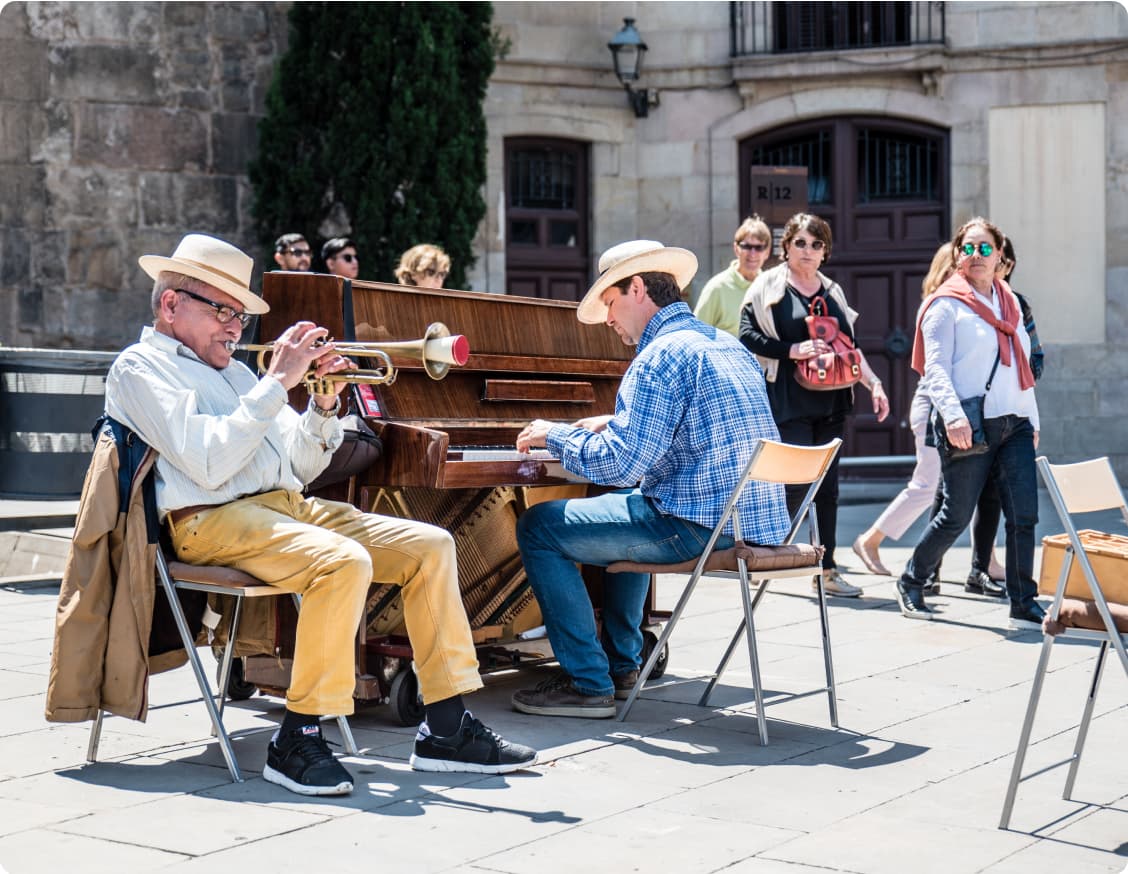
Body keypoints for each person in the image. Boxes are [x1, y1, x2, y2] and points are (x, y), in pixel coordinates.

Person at [105, 233, 536, 796]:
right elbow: (208, 462)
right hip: (207, 518)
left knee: (431, 546)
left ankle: (447, 728)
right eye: (224, 311)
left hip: (284, 507)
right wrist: (277, 383)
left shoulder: (237, 374)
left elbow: (301, 467)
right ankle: (298, 737)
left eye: (240, 314)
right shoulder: (140, 369)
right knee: (343, 562)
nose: (236, 328)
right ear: (171, 304)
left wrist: (323, 405)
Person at [508, 240, 791, 718]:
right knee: (629, 498)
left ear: (637, 288)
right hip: (752, 526)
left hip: (696, 528)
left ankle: (587, 683)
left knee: (539, 528)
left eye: (611, 304)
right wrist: (612, 422)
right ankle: (623, 665)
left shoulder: (659, 355)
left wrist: (553, 434)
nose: (610, 320)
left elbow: (621, 465)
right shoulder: (726, 346)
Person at [894, 218, 1043, 629]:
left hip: (1014, 423)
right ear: (958, 255)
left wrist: (1032, 419)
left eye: (984, 248)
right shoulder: (945, 305)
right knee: (955, 515)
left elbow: (1023, 369)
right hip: (970, 425)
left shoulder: (1010, 304)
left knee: (1023, 515)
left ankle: (1024, 600)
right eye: (968, 248)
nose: (976, 256)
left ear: (999, 256)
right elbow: (935, 371)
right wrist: (954, 416)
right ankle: (912, 578)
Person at [739, 213, 889, 599]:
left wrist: (874, 384)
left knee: (828, 487)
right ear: (786, 246)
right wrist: (791, 349)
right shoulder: (767, 287)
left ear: (825, 252)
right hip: (789, 400)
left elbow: (850, 350)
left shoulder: (833, 291)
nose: (808, 250)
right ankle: (767, 555)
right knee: (792, 482)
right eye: (800, 242)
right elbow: (747, 335)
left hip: (834, 401)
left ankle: (827, 569)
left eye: (816, 244)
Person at [851, 245, 1005, 595]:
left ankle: (980, 561)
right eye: (967, 255)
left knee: (968, 488)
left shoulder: (977, 301)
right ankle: (872, 540)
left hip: (955, 409)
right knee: (927, 485)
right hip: (935, 408)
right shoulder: (943, 302)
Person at [693, 214, 772, 337]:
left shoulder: (771, 288)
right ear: (736, 248)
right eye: (747, 246)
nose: (752, 253)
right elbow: (696, 333)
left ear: (767, 252)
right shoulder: (717, 288)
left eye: (758, 247)